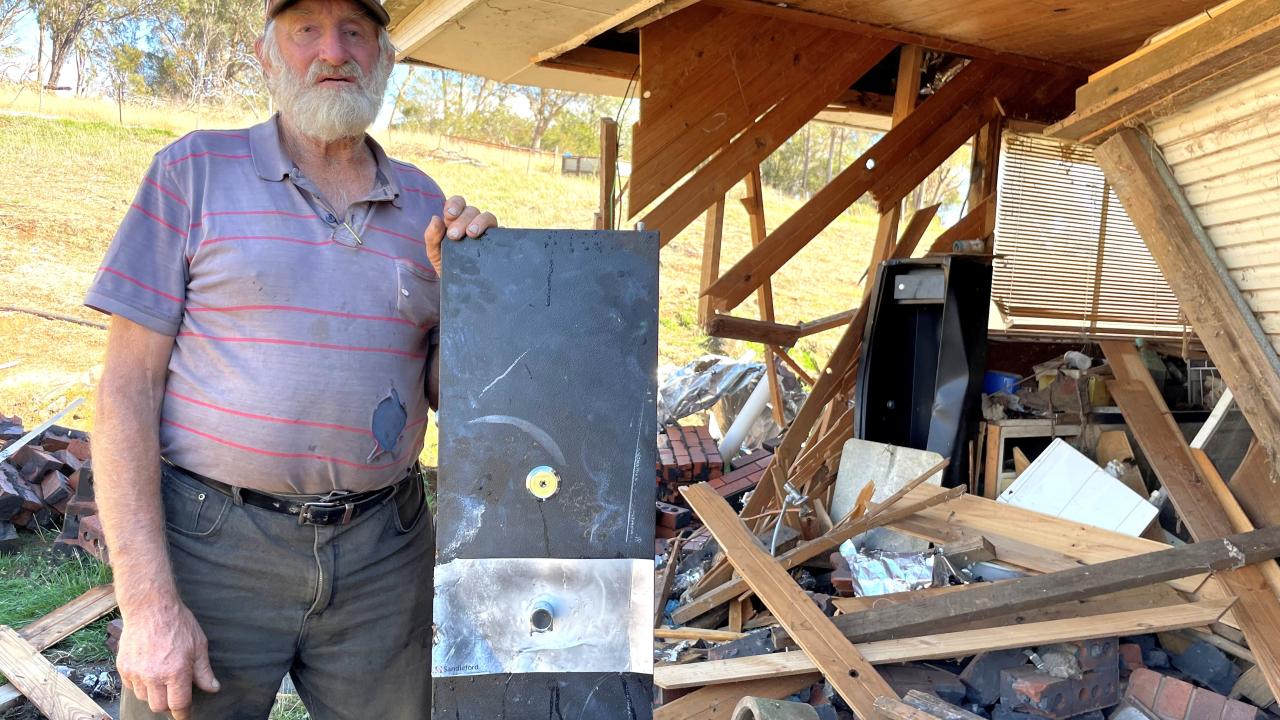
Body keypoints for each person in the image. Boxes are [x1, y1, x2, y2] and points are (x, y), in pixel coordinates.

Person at [85, 0, 496, 717]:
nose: (331, 51)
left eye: (355, 33)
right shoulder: (193, 173)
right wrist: (149, 605)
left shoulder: (426, 204)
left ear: (384, 57)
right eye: (306, 30)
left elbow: (449, 392)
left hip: (383, 553)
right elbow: (125, 390)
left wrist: (482, 290)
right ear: (266, 54)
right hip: (214, 544)